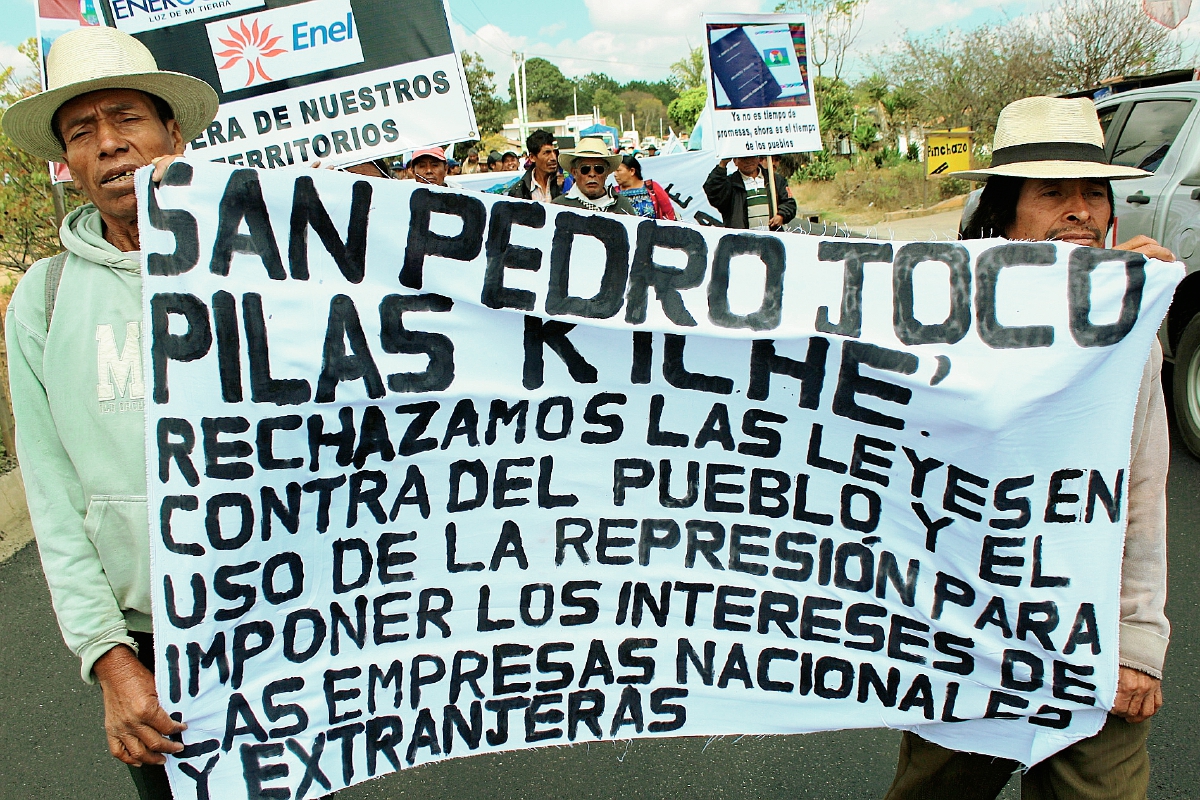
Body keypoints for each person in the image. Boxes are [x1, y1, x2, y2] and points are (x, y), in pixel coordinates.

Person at [884, 95, 1172, 800]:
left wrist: (1139, 640)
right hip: (963, 637)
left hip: (1086, 643)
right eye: (1052, 193)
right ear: (1005, 213)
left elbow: (1142, 488)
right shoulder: (935, 317)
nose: (1080, 211)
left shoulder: (1125, 321)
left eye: (1094, 194)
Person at [0, 25, 220, 799]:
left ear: (174, 134)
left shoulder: (263, 266)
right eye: (81, 132)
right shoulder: (45, 299)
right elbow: (53, 498)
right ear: (68, 163)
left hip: (285, 620)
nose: (109, 143)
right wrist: (111, 659)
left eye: (127, 117)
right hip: (151, 648)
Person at [703, 154, 795, 230]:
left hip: (772, 239)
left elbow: (789, 203)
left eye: (752, 157)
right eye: (743, 158)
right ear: (735, 161)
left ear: (758, 158)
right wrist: (723, 164)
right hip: (743, 241)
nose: (748, 161)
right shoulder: (730, 183)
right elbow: (713, 192)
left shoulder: (775, 180)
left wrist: (781, 215)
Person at [552, 136, 637, 215]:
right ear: (574, 172)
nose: (592, 174)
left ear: (607, 173)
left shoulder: (622, 205)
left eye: (599, 169)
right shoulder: (558, 207)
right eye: (585, 169)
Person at [613, 154, 676, 220]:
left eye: (618, 171)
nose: (615, 175)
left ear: (632, 171)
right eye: (614, 171)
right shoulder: (614, 192)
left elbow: (669, 213)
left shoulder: (652, 187)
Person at [507, 128, 562, 203]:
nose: (553, 158)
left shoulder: (564, 182)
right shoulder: (519, 191)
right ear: (532, 157)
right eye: (547, 153)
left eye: (555, 152)